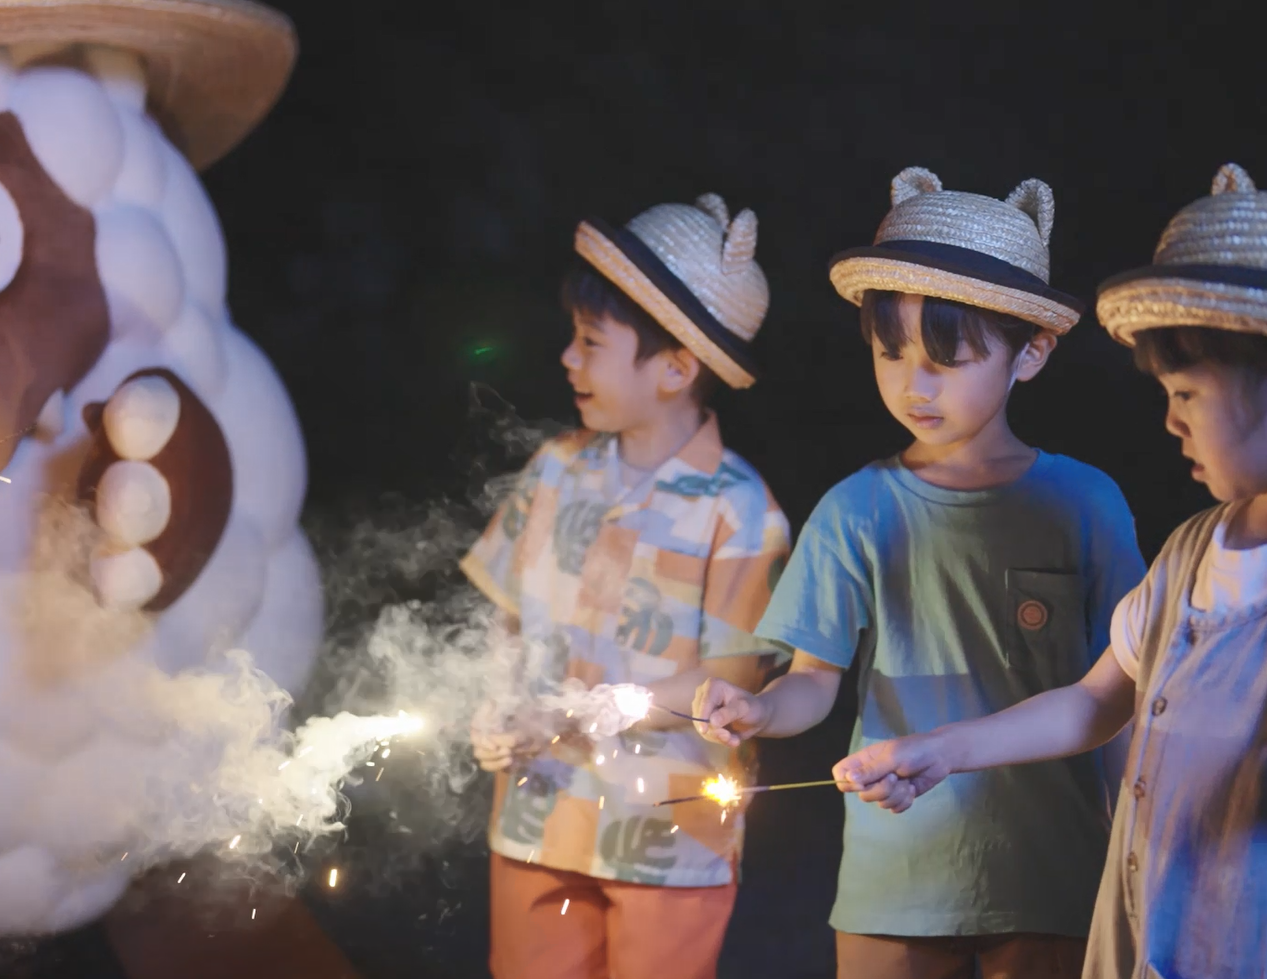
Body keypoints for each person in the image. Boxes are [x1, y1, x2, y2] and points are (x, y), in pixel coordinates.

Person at [692, 167, 1146, 978]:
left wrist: (1133, 849)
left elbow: (1118, 695)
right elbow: (812, 682)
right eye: (889, 351)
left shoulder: (1084, 503)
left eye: (949, 356)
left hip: (1053, 870)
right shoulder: (854, 508)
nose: (913, 382)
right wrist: (757, 708)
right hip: (892, 874)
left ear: (1030, 352)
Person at [835, 163, 1267, 979]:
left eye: (1188, 393)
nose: (1169, 419)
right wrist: (941, 750)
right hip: (1144, 946)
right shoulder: (1189, 554)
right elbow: (1095, 702)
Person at [464, 196, 789, 979]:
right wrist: (494, 698)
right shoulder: (554, 468)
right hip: (537, 816)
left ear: (675, 367)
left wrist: (574, 710)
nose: (568, 359)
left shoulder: (740, 509)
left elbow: (737, 675)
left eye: (589, 342)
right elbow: (505, 614)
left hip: (669, 839)